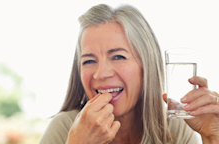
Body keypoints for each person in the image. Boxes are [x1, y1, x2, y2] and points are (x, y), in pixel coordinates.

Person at [39, 4, 219, 144]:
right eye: (89, 60)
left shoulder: (175, 128)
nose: (101, 74)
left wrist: (213, 137)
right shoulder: (64, 129)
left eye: (118, 56)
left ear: (147, 65)